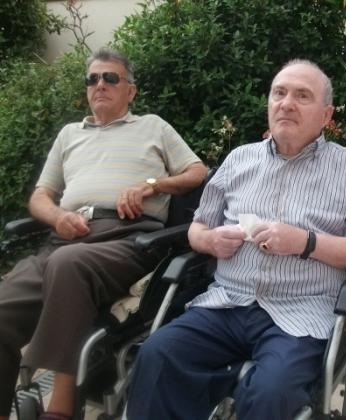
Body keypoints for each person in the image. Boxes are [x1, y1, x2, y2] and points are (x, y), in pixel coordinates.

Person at [126, 59, 346, 420]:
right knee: (158, 354)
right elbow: (197, 229)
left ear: (326, 116)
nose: (286, 103)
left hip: (300, 313)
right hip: (226, 303)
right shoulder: (238, 160)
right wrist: (211, 241)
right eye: (279, 93)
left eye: (302, 96)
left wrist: (305, 242)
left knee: (271, 393)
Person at [0, 47, 207, 420]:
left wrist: (151, 185)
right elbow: (40, 196)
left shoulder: (153, 126)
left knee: (68, 263)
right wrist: (57, 217)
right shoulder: (69, 134)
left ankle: (61, 408)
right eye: (92, 78)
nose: (100, 84)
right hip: (65, 236)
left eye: (110, 78)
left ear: (131, 91)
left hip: (127, 238)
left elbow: (197, 172)